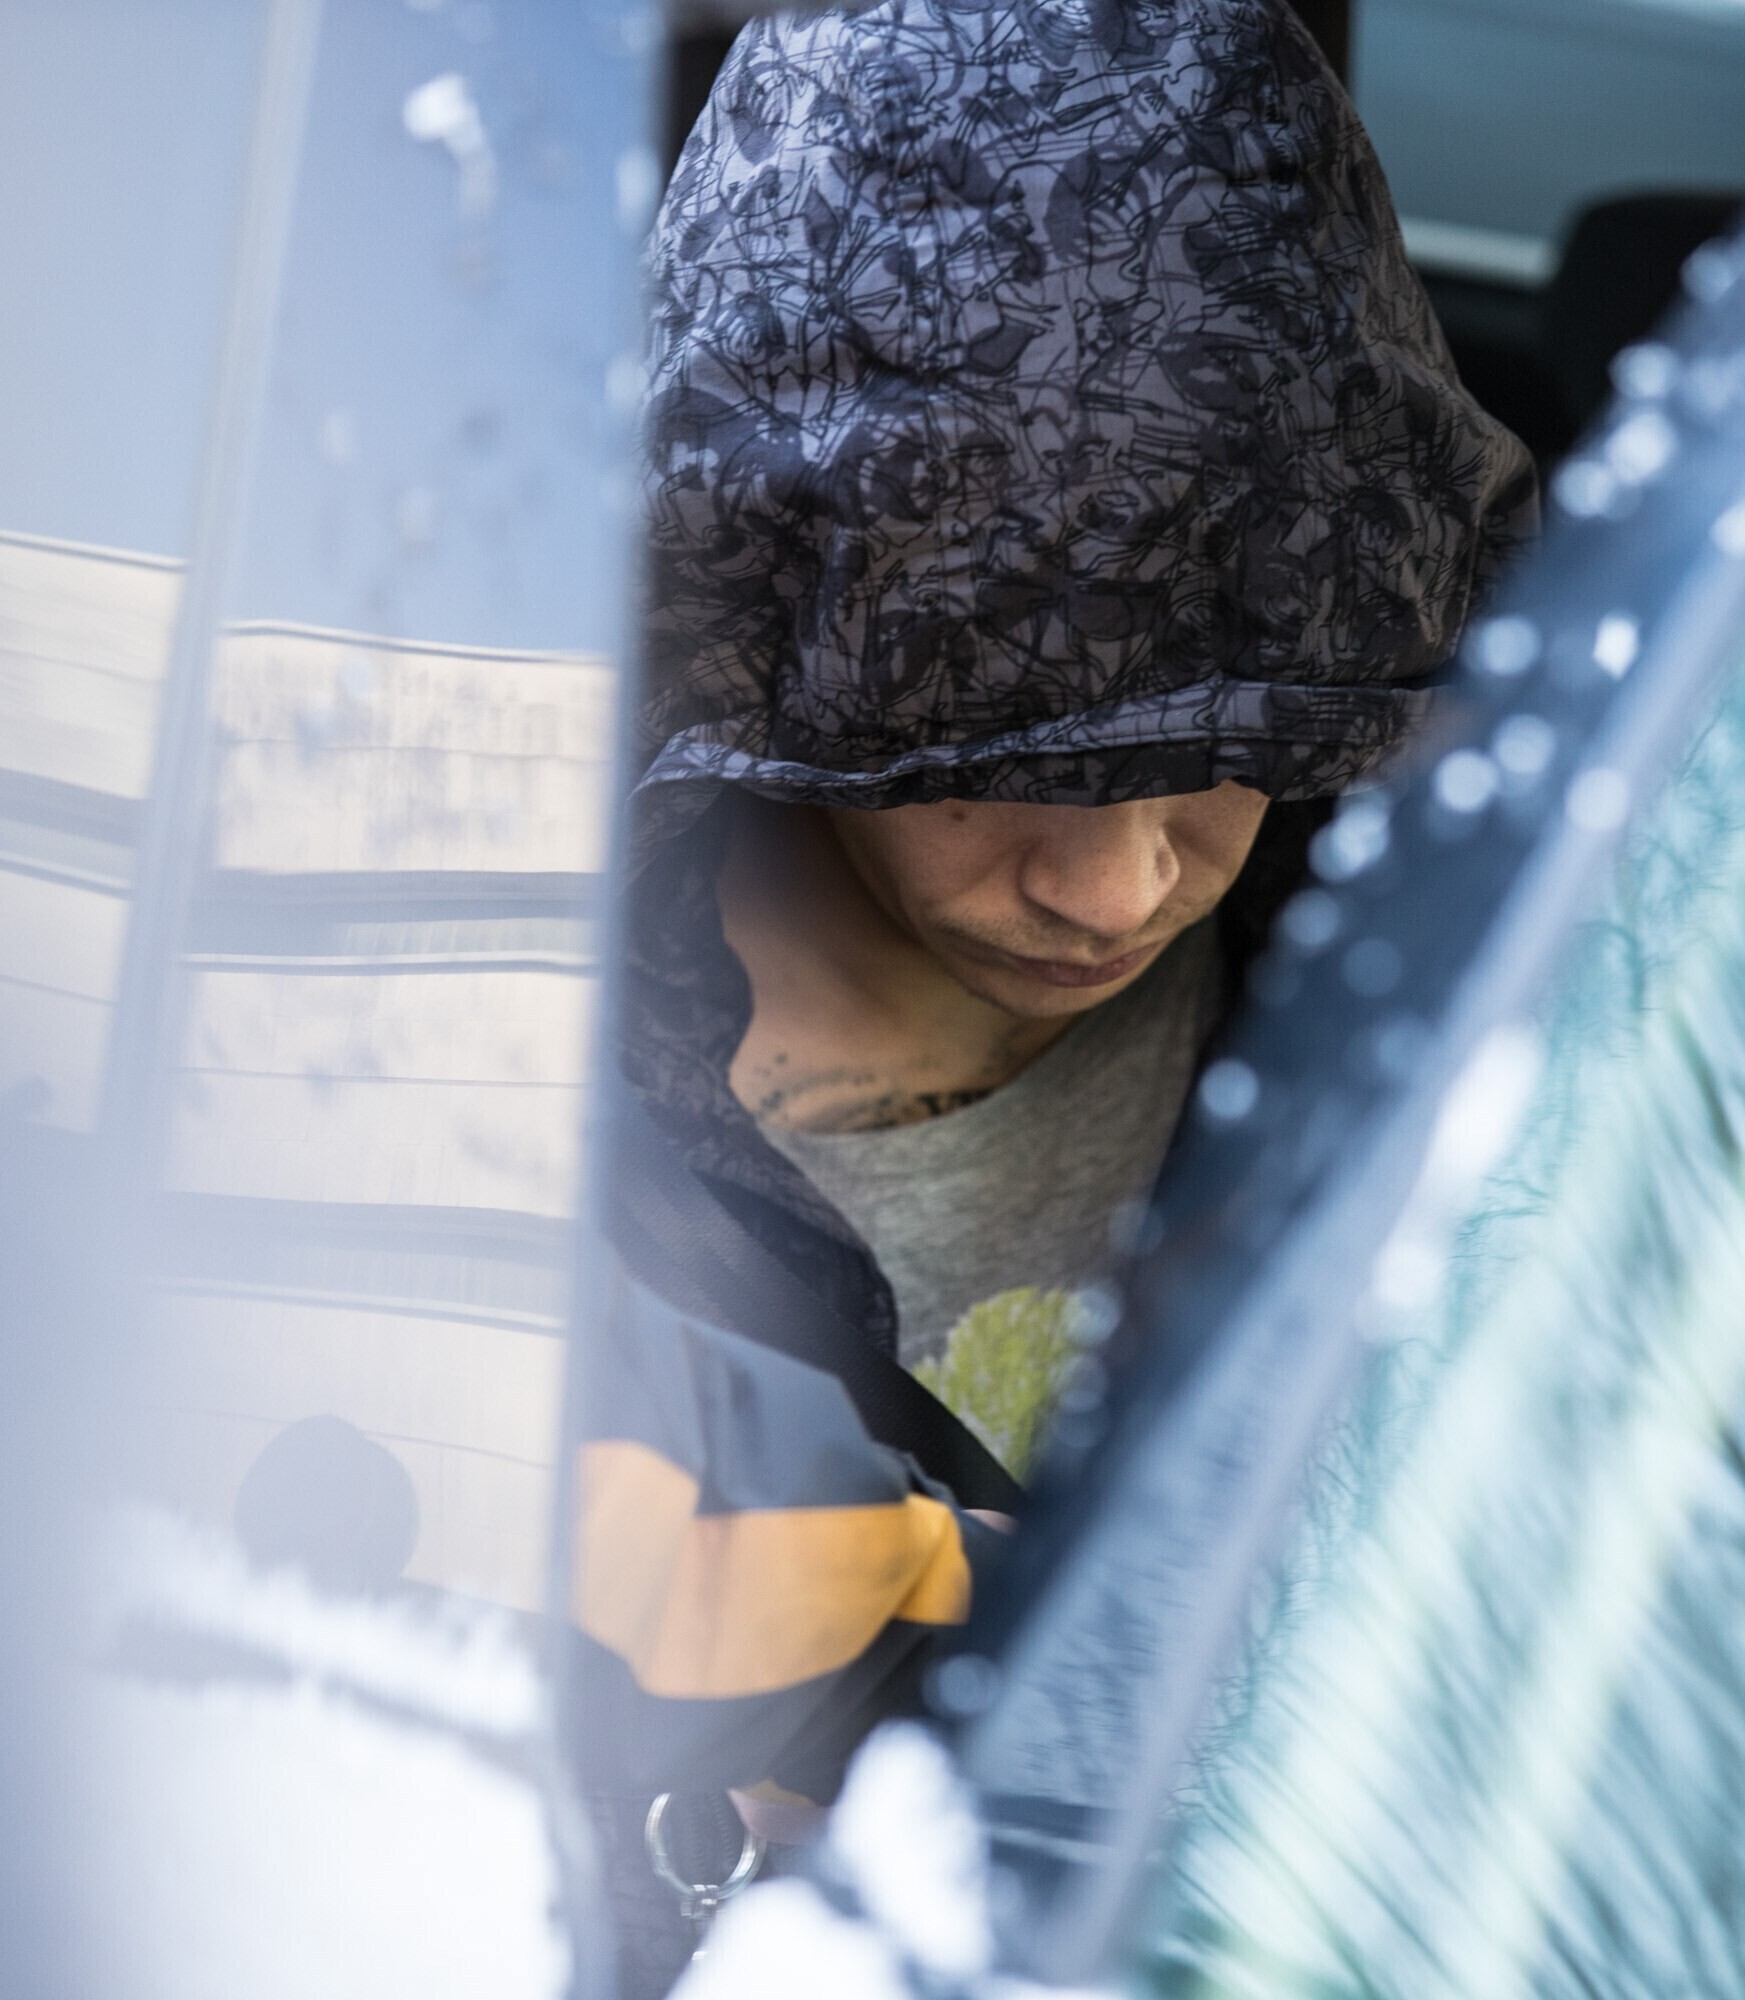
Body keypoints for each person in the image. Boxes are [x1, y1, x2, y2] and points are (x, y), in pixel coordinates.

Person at [564, 0, 1532, 1981]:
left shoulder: (1438, 989)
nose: (1118, 885)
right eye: (1011, 758)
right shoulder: (481, 1073)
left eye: (1223, 754)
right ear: (777, 627)